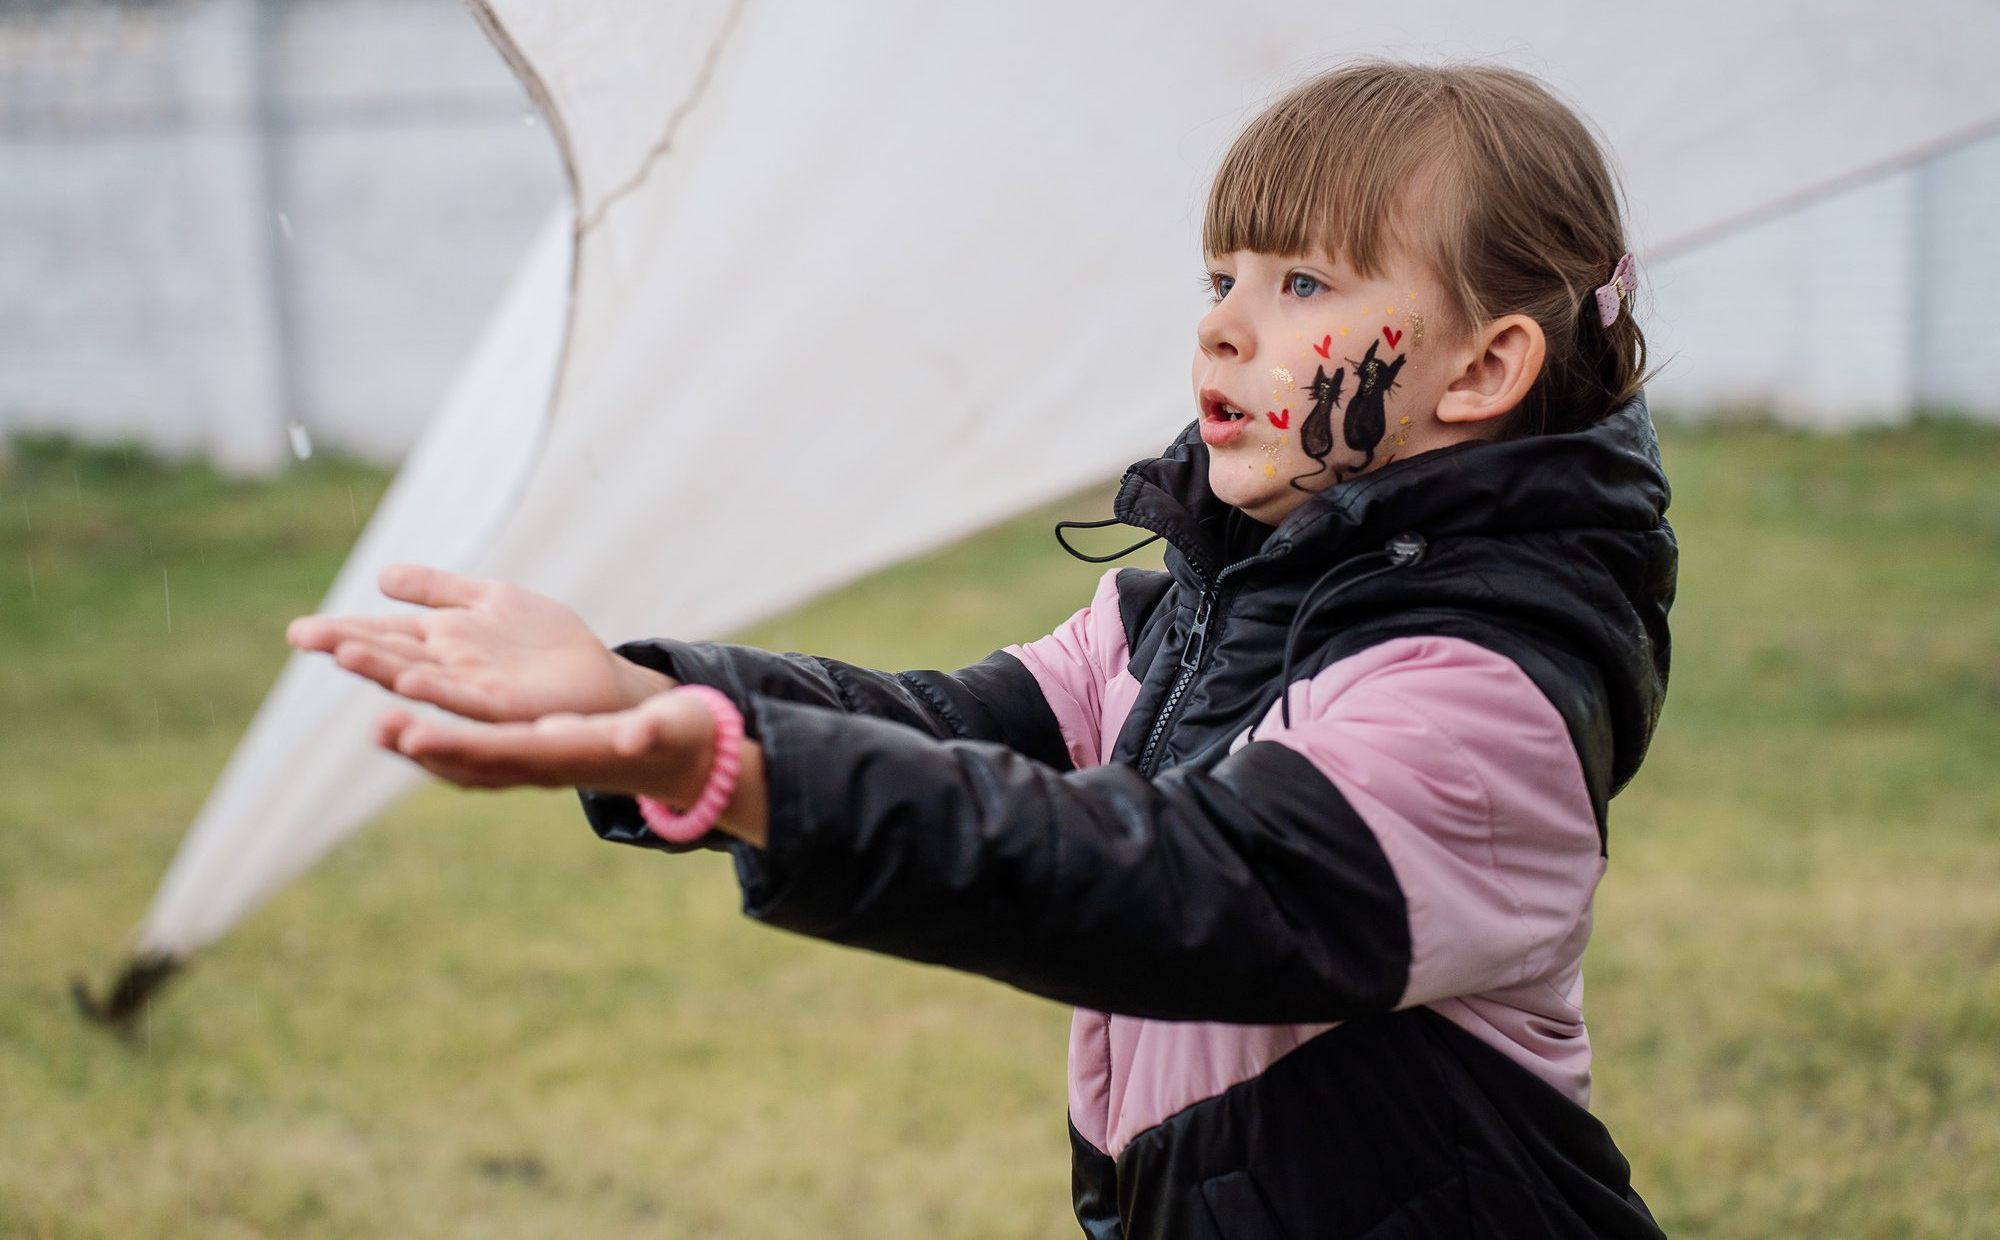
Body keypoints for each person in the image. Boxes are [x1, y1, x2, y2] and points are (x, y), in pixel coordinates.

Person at [290, 62, 1676, 1238]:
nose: (1223, 321)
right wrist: (652, 692)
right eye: (1220, 273)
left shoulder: (1481, 701)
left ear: (1481, 370)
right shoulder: (1179, 625)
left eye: (1302, 278)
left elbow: (1172, 883)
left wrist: (747, 763)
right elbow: (953, 729)